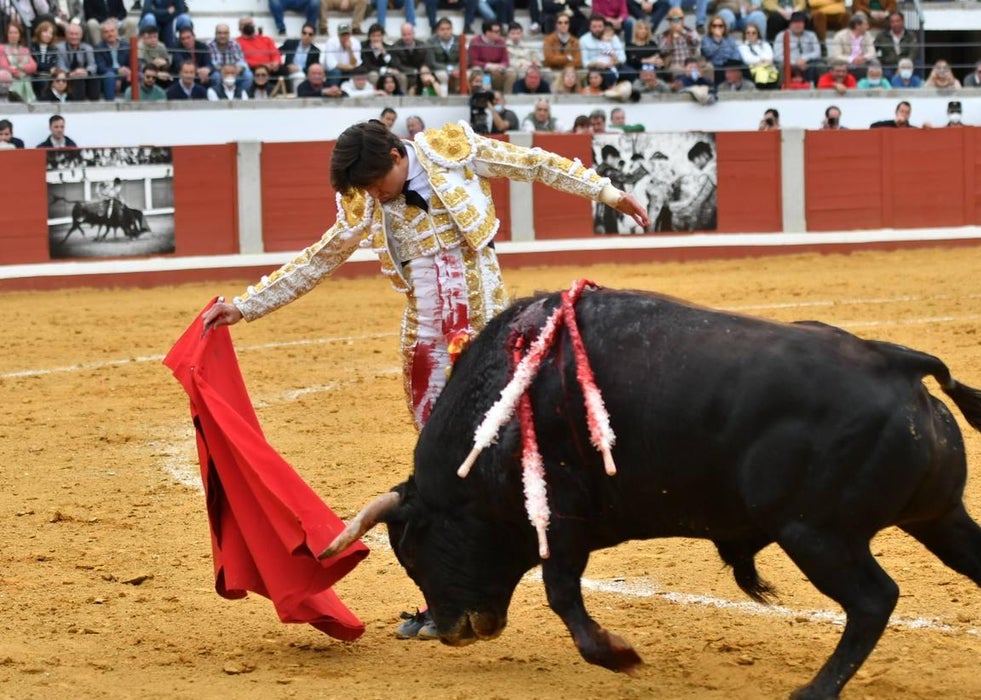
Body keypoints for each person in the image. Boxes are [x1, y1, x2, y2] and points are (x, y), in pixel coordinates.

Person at [199, 120, 649, 638]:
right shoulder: (365, 198)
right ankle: (447, 599)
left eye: (376, 183)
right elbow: (320, 257)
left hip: (487, 333)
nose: (372, 196)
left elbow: (535, 163)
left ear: (397, 155)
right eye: (364, 190)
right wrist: (246, 306)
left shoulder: (450, 149)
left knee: (507, 456)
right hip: (427, 342)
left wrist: (608, 193)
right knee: (441, 475)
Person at [54, 22, 100, 100]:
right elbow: (60, 65)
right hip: (67, 75)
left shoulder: (87, 48)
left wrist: (86, 72)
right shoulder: (59, 47)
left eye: (76, 34)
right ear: (66, 35)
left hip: (83, 75)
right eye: (71, 34)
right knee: (78, 79)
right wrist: (71, 73)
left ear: (81, 35)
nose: (74, 37)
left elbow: (92, 65)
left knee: (94, 77)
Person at [772, 10, 821, 83]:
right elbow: (777, 56)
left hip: (807, 63)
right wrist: (795, 63)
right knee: (781, 66)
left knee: (820, 65)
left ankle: (814, 87)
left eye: (800, 22)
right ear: (790, 24)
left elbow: (817, 52)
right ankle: (782, 89)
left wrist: (804, 59)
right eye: (795, 22)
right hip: (789, 63)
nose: (798, 25)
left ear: (804, 24)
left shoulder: (811, 35)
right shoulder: (781, 35)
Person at [658, 7, 703, 79]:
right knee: (677, 69)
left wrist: (683, 31)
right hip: (675, 65)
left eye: (679, 19)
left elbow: (697, 41)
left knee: (706, 67)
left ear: (683, 20)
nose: (677, 22)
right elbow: (663, 50)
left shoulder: (690, 31)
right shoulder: (664, 35)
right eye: (674, 20)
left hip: (691, 64)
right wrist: (671, 35)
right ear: (669, 22)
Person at [235, 17, 282, 85]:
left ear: (254, 25)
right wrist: (261, 65)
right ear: (239, 28)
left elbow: (275, 53)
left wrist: (276, 62)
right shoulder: (236, 43)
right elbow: (241, 60)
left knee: (284, 70)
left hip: (271, 67)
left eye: (250, 23)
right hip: (253, 68)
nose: (248, 25)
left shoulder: (266, 39)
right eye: (244, 24)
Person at [93, 20, 132, 101]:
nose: (110, 34)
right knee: (109, 75)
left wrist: (120, 77)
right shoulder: (98, 48)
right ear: (102, 35)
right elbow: (101, 68)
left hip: (124, 77)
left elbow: (132, 64)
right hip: (107, 77)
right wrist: (117, 71)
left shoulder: (126, 46)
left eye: (112, 31)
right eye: (106, 32)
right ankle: (110, 104)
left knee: (137, 74)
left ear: (117, 32)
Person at [207, 23, 252, 93]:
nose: (222, 36)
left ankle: (241, 96)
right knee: (216, 76)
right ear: (215, 34)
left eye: (225, 33)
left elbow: (241, 61)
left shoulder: (234, 44)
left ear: (229, 34)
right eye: (220, 33)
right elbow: (211, 64)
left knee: (248, 75)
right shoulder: (209, 45)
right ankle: (219, 98)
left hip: (233, 72)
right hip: (219, 72)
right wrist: (225, 70)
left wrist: (239, 68)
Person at [827, 12, 873, 78]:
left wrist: (863, 58)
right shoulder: (840, 35)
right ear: (857, 26)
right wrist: (852, 59)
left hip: (862, 62)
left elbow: (872, 52)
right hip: (846, 62)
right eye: (865, 24)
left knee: (875, 63)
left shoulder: (867, 35)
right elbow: (836, 55)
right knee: (835, 63)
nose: (868, 27)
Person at [1, 21, 38, 103]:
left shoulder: (25, 50)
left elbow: (33, 66)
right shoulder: (2, 48)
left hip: (24, 81)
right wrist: (19, 72)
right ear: (7, 35)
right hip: (10, 84)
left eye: (16, 33)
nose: (13, 35)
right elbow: (4, 66)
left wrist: (19, 67)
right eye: (10, 33)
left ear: (20, 35)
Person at [469, 20, 510, 90]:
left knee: (511, 73)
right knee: (482, 74)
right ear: (487, 33)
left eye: (500, 31)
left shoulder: (501, 41)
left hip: (497, 70)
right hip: (483, 69)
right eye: (496, 32)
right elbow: (473, 61)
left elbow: (506, 61)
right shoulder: (475, 41)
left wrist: (500, 66)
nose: (499, 33)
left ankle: (508, 97)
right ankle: (485, 95)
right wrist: (489, 66)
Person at [279, 24, 321, 92]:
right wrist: (286, 66)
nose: (306, 36)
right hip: (287, 72)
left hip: (303, 74)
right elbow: (277, 53)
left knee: (300, 76)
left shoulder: (315, 51)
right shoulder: (290, 43)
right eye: (304, 33)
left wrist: (299, 69)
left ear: (313, 37)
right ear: (301, 34)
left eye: (310, 34)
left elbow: (313, 68)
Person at [426, 18, 462, 93]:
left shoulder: (459, 40)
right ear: (437, 31)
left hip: (456, 68)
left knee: (465, 74)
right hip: (440, 69)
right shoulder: (430, 42)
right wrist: (449, 69)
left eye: (448, 29)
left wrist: (456, 68)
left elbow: (466, 59)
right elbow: (431, 62)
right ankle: (444, 99)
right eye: (442, 29)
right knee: (443, 75)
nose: (445, 32)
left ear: (452, 29)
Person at [504, 20, 542, 90]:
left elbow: (535, 58)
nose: (516, 36)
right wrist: (521, 64)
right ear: (508, 34)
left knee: (545, 72)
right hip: (514, 68)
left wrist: (534, 64)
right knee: (519, 73)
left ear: (521, 34)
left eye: (518, 33)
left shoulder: (527, 46)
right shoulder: (504, 47)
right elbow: (507, 61)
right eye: (513, 33)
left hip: (529, 67)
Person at [738, 22, 776, 89]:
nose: (751, 35)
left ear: (758, 34)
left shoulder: (765, 44)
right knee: (761, 71)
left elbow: (770, 56)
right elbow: (747, 59)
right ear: (744, 34)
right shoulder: (742, 46)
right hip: (752, 70)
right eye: (748, 33)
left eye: (753, 33)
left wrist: (760, 61)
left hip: (768, 69)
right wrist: (762, 60)